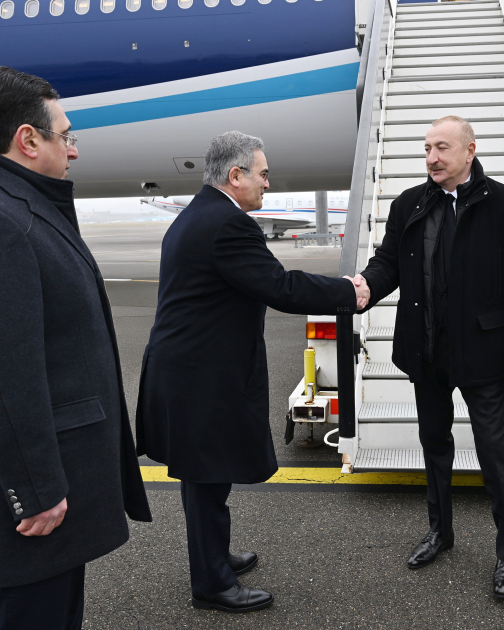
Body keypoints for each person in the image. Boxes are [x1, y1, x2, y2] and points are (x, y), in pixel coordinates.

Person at [0, 65, 152, 630]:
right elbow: (0, 374)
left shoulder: (16, 205)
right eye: (64, 135)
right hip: (29, 502)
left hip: (48, 489)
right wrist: (36, 492)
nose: (72, 151)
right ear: (27, 140)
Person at [136, 131, 368, 613]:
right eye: (262, 174)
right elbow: (280, 287)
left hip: (189, 370)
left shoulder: (199, 215)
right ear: (234, 175)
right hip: (200, 376)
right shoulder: (226, 223)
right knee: (204, 478)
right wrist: (348, 291)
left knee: (209, 476)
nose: (268, 183)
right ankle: (212, 584)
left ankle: (214, 559)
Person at [350, 115, 504, 599]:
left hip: (483, 353)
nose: (432, 157)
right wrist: (365, 287)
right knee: (433, 445)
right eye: (426, 149)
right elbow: (388, 263)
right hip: (426, 350)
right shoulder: (410, 204)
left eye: (441, 147)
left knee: (493, 452)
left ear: (469, 151)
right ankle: (441, 532)